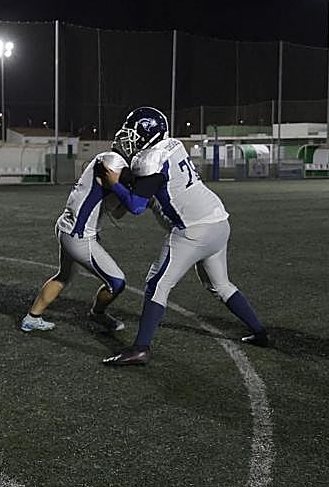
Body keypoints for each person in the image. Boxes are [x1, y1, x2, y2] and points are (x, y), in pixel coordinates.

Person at [99, 106, 267, 366]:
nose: (128, 137)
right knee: (220, 285)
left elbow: (136, 206)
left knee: (157, 284)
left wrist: (114, 185)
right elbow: (157, 185)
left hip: (193, 229)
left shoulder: (149, 159)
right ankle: (260, 332)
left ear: (148, 134)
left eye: (134, 132)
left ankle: (140, 348)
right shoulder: (172, 145)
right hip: (219, 221)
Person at [20, 136, 131, 334]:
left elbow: (118, 212)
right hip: (79, 236)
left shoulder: (113, 169)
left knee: (63, 277)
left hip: (68, 228)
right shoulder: (112, 160)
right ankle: (97, 313)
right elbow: (114, 172)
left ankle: (32, 318)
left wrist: (132, 197)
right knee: (117, 282)